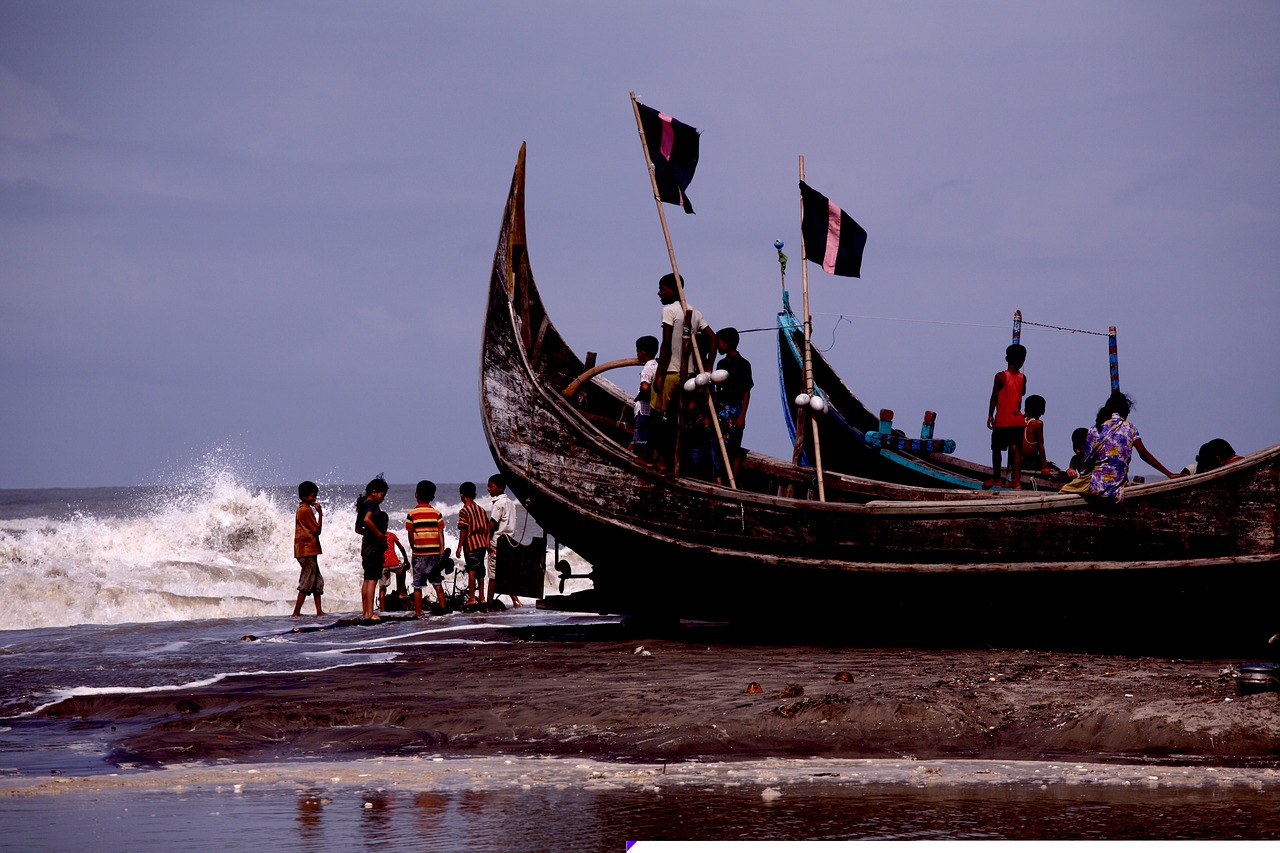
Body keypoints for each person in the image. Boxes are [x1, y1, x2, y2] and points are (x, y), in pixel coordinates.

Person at [1061, 391, 1178, 503]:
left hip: (1095, 486)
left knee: (1063, 492)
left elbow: (1087, 462)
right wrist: (1169, 474)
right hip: (1118, 486)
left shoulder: (1093, 429)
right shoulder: (1131, 428)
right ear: (1125, 412)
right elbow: (1143, 454)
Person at [653, 273, 715, 472]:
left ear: (673, 290)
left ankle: (660, 459)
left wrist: (660, 373)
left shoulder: (669, 310)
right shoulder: (694, 312)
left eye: (662, 289)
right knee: (676, 418)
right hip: (688, 376)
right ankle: (672, 461)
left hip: (671, 371)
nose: (659, 293)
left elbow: (667, 343)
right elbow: (712, 339)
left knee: (660, 418)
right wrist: (707, 368)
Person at [714, 326, 753, 483]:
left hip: (735, 410)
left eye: (720, 343)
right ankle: (718, 478)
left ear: (729, 343)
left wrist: (742, 416)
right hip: (721, 409)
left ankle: (733, 481)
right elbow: (717, 389)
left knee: (734, 447)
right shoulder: (721, 364)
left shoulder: (744, 364)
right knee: (718, 444)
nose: (718, 346)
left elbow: (746, 392)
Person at [986, 343, 1027, 488]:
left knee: (996, 448)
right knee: (1015, 449)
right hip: (1017, 420)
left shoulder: (1000, 376)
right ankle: (1016, 481)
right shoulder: (1023, 377)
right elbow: (1022, 393)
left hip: (1003, 419)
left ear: (1006, 358)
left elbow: (994, 397)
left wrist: (990, 415)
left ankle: (997, 478)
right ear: (1022, 360)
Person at [406, 480, 448, 617]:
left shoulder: (412, 514)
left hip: (419, 553)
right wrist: (441, 551)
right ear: (433, 497)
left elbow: (410, 534)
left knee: (417, 585)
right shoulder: (437, 514)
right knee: (437, 582)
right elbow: (441, 534)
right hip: (435, 553)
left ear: (415, 494)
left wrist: (413, 547)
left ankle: (418, 613)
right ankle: (443, 610)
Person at [486, 473, 523, 609]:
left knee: (493, 575)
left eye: (491, 486)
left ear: (500, 488)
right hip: (509, 541)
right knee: (506, 572)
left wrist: (486, 541)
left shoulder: (498, 504)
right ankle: (516, 601)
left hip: (497, 542)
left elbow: (492, 524)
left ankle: (488, 603)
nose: (489, 489)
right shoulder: (511, 503)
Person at [355, 477, 389, 621]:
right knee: (373, 579)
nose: (383, 498)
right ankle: (370, 613)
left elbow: (358, 529)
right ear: (374, 492)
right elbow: (367, 520)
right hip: (374, 548)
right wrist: (379, 535)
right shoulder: (373, 505)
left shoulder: (363, 505)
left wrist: (369, 534)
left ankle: (365, 612)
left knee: (367, 579)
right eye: (382, 495)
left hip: (366, 547)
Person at [291, 481, 324, 617]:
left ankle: (319, 611)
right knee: (307, 582)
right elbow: (317, 529)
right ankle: (296, 612)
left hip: (307, 550)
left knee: (317, 581)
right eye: (312, 496)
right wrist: (320, 514)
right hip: (307, 550)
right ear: (305, 496)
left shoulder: (302, 509)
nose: (314, 499)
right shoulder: (305, 510)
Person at [457, 481, 491, 609]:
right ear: (475, 494)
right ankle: (482, 596)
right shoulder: (481, 510)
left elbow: (463, 530)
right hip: (482, 544)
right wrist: (487, 544)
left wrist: (459, 546)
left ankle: (471, 598)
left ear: (462, 495)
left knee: (472, 569)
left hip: (471, 545)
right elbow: (487, 528)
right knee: (480, 571)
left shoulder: (464, 511)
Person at [632, 335, 659, 465]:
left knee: (641, 441)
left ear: (643, 352)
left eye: (637, 351)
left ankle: (642, 461)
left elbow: (645, 386)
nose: (636, 354)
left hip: (643, 411)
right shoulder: (659, 366)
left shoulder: (648, 368)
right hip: (654, 412)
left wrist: (643, 396)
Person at [377, 517, 410, 612]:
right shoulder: (391, 535)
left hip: (382, 565)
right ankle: (401, 592)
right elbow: (402, 548)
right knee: (402, 569)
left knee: (382, 588)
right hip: (394, 563)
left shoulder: (376, 537)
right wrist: (406, 560)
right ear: (387, 524)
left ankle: (382, 610)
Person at [1018, 394, 1053, 478]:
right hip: (1029, 462)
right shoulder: (1037, 423)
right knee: (1055, 470)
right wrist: (1044, 467)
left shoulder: (1020, 420)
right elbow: (1041, 446)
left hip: (1018, 461)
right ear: (1043, 411)